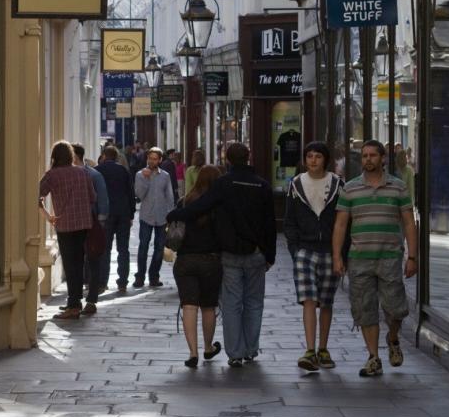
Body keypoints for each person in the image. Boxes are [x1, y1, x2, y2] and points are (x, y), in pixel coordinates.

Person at [169, 142, 276, 367]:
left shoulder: (224, 184)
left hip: (230, 253)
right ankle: (251, 349)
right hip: (257, 253)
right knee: (254, 302)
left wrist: (176, 213)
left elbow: (201, 206)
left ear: (227, 159)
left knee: (232, 304)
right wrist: (270, 254)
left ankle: (235, 352)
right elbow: (270, 223)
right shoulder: (263, 185)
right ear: (249, 157)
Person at [332, 138, 417, 378]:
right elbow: (340, 225)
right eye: (364, 156)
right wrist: (337, 256)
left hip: (390, 256)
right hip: (359, 258)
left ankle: (392, 338)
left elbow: (409, 223)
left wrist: (412, 256)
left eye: (372, 155)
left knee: (395, 309)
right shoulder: (350, 188)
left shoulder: (398, 187)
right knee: (364, 309)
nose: (368, 159)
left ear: (383, 159)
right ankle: (373, 357)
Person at [283, 142, 342, 371]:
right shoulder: (296, 184)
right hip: (305, 250)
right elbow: (290, 220)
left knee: (326, 301)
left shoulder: (337, 184)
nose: (313, 160)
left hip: (329, 249)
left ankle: (323, 348)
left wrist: (341, 253)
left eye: (318, 156)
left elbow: (342, 220)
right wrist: (294, 249)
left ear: (325, 159)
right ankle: (310, 349)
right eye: (309, 156)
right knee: (308, 299)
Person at [172, 164, 223, 368]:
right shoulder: (219, 206)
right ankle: (208, 347)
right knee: (208, 306)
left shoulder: (184, 202)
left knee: (189, 306)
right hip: (210, 260)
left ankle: (193, 352)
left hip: (185, 261)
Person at [38, 140, 97, 321]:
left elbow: (36, 195)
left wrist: (48, 216)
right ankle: (75, 301)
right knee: (78, 263)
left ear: (54, 156)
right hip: (83, 223)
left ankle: (73, 305)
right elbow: (92, 197)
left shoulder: (52, 175)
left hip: (65, 225)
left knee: (70, 265)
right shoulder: (82, 173)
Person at [73, 144, 109, 314]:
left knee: (93, 261)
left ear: (74, 156)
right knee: (76, 262)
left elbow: (102, 200)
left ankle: (92, 300)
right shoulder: (69, 175)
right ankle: (74, 300)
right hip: (73, 225)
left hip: (91, 224)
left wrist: (100, 225)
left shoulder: (94, 175)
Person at [96, 144, 136, 295]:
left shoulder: (98, 171)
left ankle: (102, 282)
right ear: (116, 157)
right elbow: (130, 193)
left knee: (105, 249)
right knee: (123, 249)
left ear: (104, 156)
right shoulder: (123, 170)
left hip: (106, 215)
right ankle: (122, 283)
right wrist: (131, 213)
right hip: (123, 213)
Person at [133, 146, 174, 289]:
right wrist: (145, 178)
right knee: (143, 247)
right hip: (146, 216)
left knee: (159, 248)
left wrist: (171, 213)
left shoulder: (165, 176)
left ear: (160, 160)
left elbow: (169, 196)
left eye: (155, 159)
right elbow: (139, 195)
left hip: (162, 217)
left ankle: (154, 276)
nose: (152, 161)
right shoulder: (139, 175)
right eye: (150, 158)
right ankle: (139, 277)